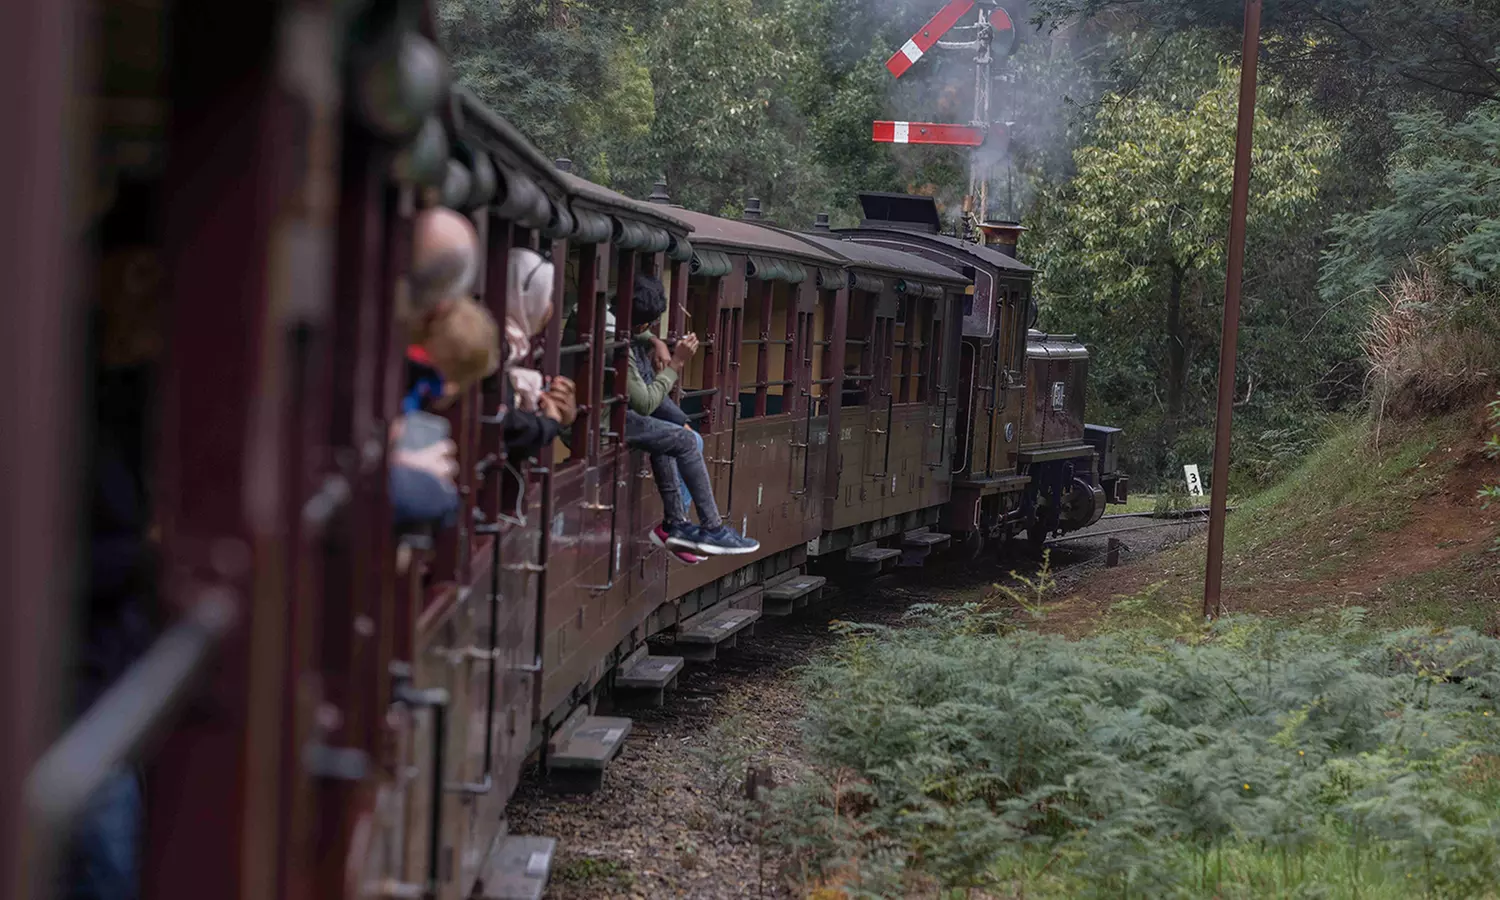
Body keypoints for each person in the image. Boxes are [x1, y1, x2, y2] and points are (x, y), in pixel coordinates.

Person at [623, 273, 759, 559]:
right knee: (686, 441)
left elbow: (631, 331)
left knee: (680, 435)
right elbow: (644, 402)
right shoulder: (619, 343)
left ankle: (676, 525)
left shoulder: (618, 326)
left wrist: (655, 341)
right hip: (611, 418)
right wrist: (676, 364)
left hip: (618, 413)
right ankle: (709, 528)